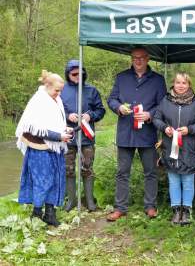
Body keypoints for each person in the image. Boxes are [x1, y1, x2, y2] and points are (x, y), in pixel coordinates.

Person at [106, 47, 167, 221]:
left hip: (148, 134)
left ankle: (150, 206)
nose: (138, 61)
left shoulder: (157, 80)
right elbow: (111, 99)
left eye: (141, 58)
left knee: (150, 172)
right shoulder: (122, 77)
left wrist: (150, 114)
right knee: (122, 172)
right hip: (126, 132)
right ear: (131, 59)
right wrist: (118, 107)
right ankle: (120, 208)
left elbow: (163, 104)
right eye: (134, 58)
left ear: (148, 59)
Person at [16, 70, 72, 226]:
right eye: (56, 90)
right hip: (39, 148)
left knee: (55, 179)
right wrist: (58, 136)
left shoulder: (56, 100)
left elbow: (56, 123)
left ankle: (50, 214)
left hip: (55, 148)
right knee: (42, 180)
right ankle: (36, 213)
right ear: (47, 86)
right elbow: (32, 128)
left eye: (60, 90)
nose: (58, 93)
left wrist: (65, 130)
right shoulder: (38, 101)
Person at [153, 72, 195, 225]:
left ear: (189, 85)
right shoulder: (165, 101)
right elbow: (156, 118)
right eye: (178, 82)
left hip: (189, 148)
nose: (181, 86)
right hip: (170, 147)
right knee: (173, 180)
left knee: (188, 180)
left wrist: (190, 129)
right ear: (173, 84)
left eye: (184, 83)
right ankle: (175, 211)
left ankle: (186, 212)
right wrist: (165, 128)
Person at [61, 60, 106, 212]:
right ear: (68, 74)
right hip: (67, 137)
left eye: (81, 73)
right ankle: (71, 201)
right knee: (68, 169)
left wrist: (90, 116)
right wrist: (68, 116)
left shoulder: (92, 90)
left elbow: (101, 110)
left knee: (87, 168)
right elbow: (55, 112)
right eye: (74, 74)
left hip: (87, 138)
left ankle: (89, 201)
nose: (78, 76)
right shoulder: (61, 90)